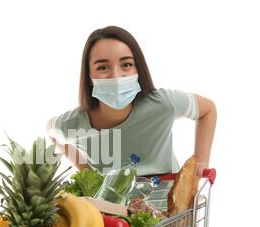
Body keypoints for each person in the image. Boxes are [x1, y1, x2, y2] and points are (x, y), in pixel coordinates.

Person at [47, 26, 217, 177]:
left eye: (126, 64)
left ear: (138, 70)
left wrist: (200, 165)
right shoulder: (75, 124)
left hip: (170, 207)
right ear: (89, 76)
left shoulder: (163, 104)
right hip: (110, 209)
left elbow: (207, 110)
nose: (116, 76)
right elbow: (51, 130)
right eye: (102, 67)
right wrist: (86, 171)